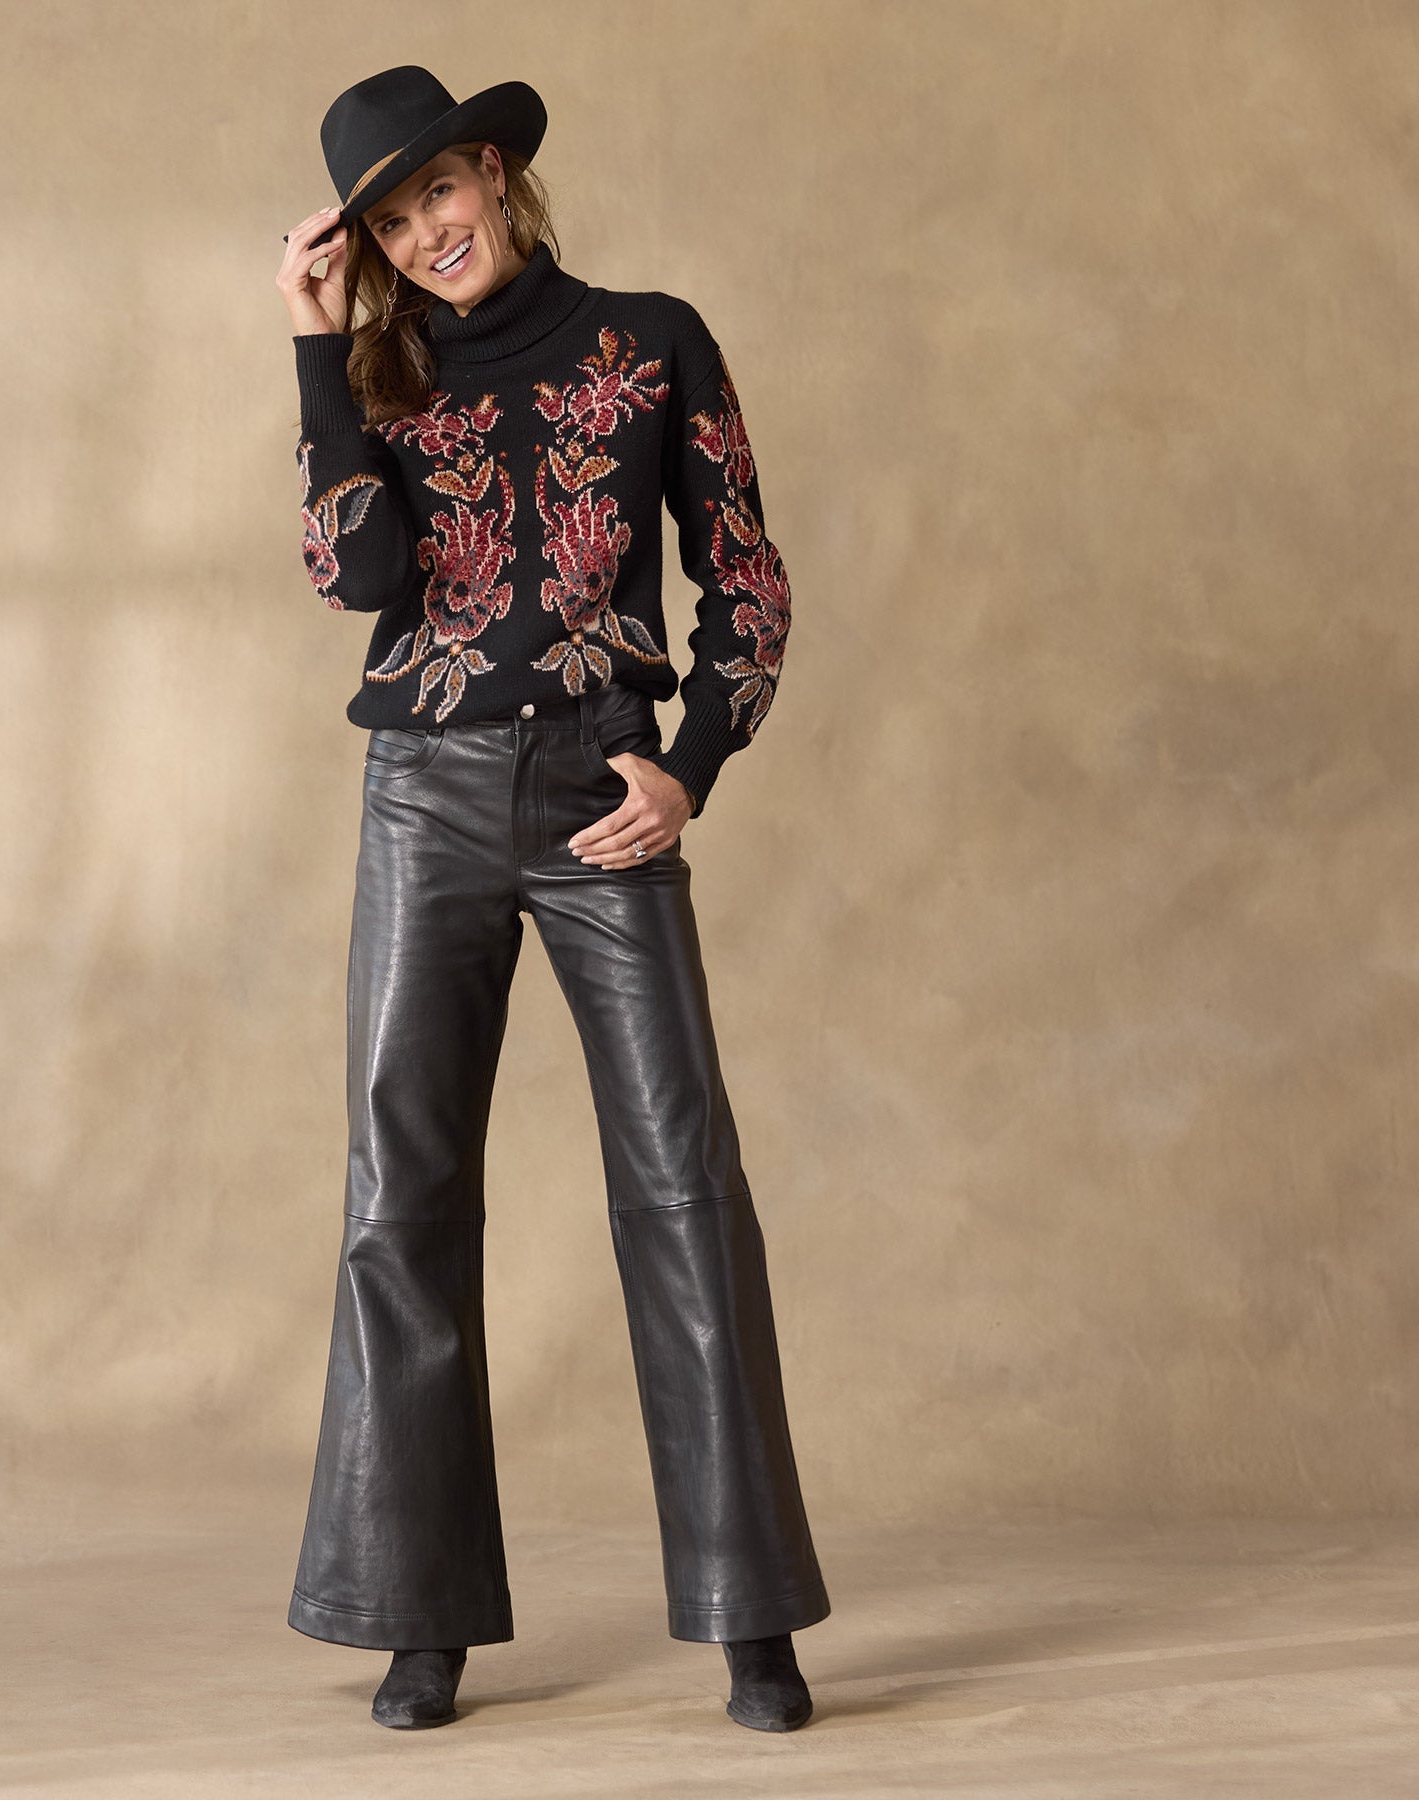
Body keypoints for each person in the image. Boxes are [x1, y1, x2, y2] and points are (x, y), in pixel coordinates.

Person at [275, 64, 831, 1734]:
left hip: (601, 788)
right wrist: (313, 347)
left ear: (497, 176)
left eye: (439, 192)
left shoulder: (653, 341)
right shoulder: (375, 375)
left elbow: (745, 580)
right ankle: (418, 1614)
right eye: (390, 223)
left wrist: (692, 766)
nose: (426, 236)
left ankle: (751, 1620)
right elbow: (358, 580)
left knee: (683, 1185)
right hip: (424, 800)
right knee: (402, 1197)